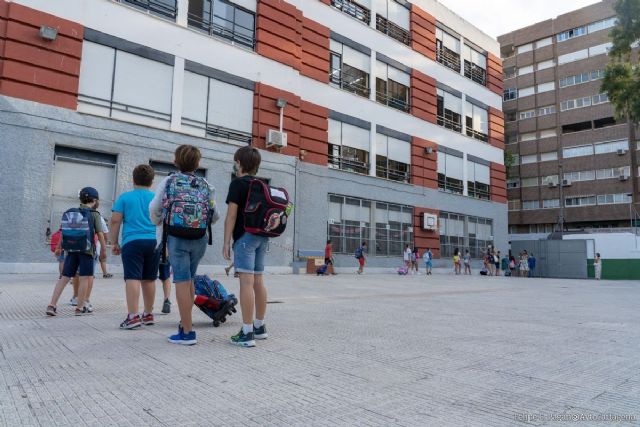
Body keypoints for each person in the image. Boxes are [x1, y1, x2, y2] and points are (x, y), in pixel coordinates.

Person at [150, 145, 218, 345]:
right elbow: (215, 215)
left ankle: (187, 332)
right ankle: (185, 323)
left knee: (180, 280)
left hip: (176, 236)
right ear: (198, 163)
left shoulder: (169, 181)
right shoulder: (206, 184)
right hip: (200, 237)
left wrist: (158, 221)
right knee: (189, 279)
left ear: (176, 162)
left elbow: (154, 208)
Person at [223, 146, 267, 347]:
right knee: (258, 282)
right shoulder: (262, 184)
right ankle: (259, 326)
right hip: (261, 237)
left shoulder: (237, 184)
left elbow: (231, 215)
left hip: (244, 238)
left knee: (246, 283)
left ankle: (247, 332)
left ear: (239, 163)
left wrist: (226, 242)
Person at [111, 165, 161, 330]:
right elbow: (162, 222)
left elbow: (115, 220)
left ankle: (132, 316)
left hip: (132, 241)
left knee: (132, 277)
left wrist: (114, 242)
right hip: (153, 241)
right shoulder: (156, 198)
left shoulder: (125, 198)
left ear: (133, 179)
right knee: (149, 279)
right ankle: (148, 314)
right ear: (152, 181)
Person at [46, 187, 106, 316]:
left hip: (71, 250)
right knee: (84, 278)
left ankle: (52, 305)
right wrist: (104, 251)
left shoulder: (71, 212)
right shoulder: (94, 214)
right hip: (87, 251)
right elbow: (100, 234)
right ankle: (79, 307)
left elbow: (63, 232)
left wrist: (58, 247)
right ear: (95, 200)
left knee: (64, 278)